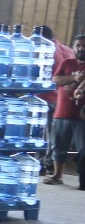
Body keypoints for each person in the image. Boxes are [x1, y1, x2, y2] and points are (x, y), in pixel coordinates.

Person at [44, 36, 85, 185]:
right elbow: (56, 80)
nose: (81, 48)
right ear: (73, 47)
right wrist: (74, 77)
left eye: (83, 46)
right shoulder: (67, 63)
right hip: (62, 112)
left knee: (83, 150)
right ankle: (57, 175)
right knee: (58, 146)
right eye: (78, 45)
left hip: (81, 116)